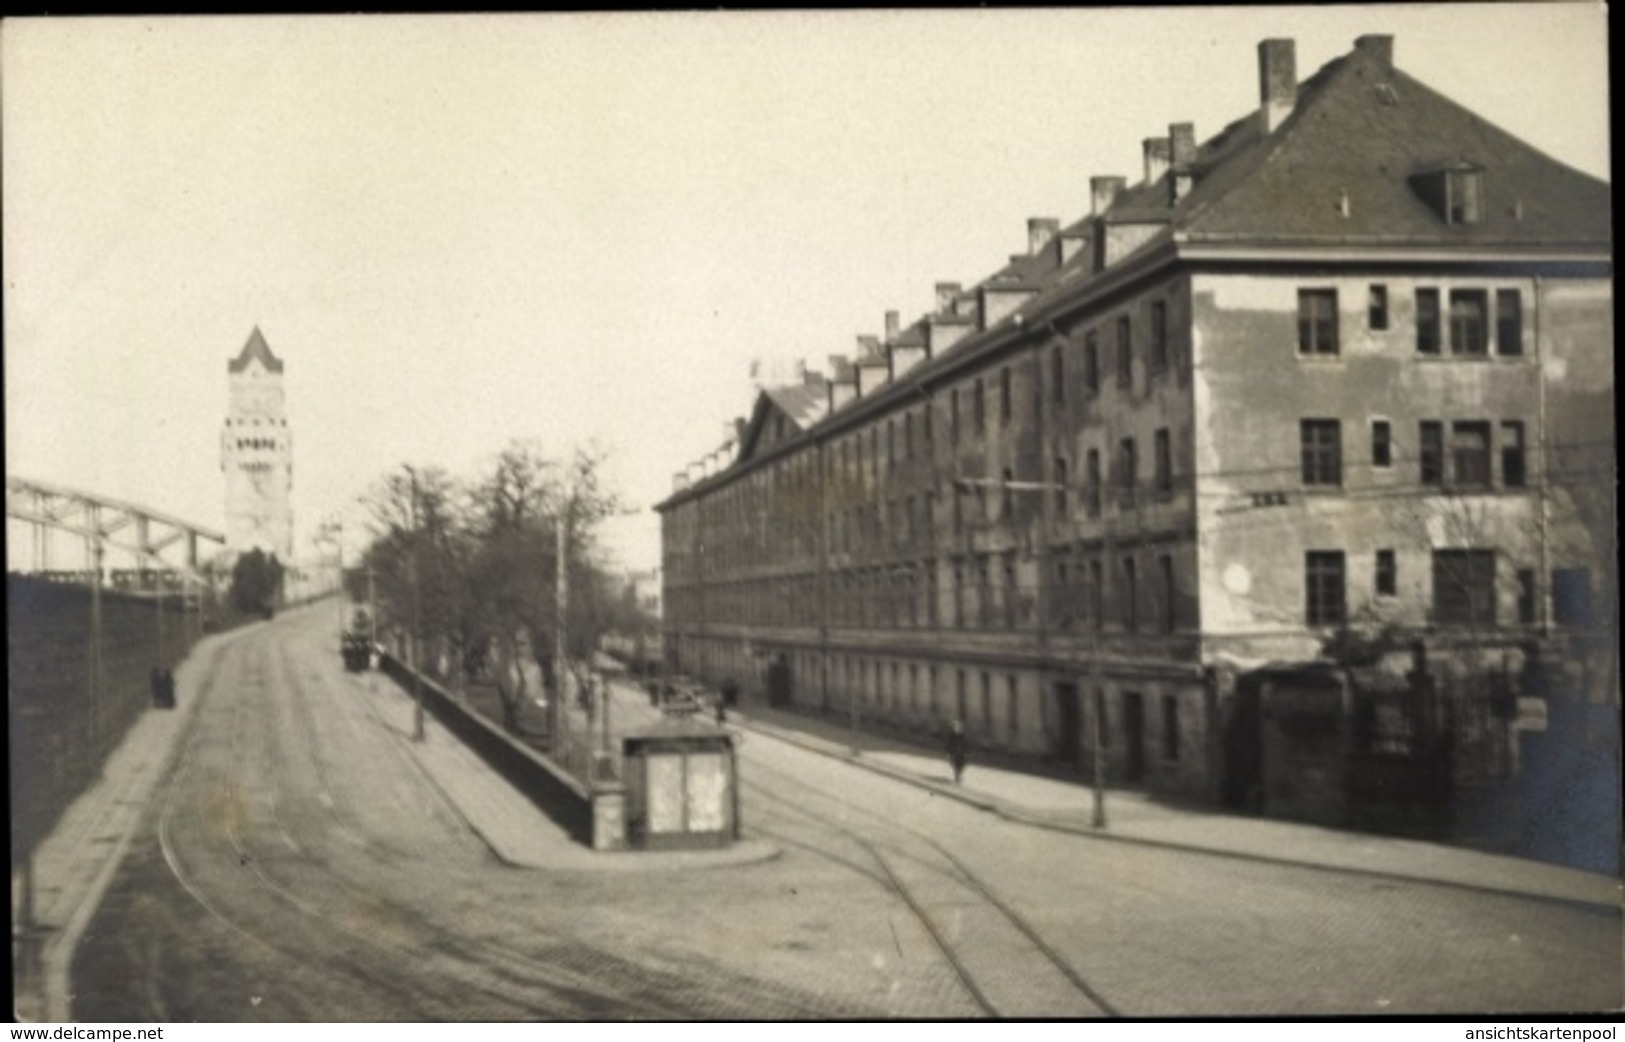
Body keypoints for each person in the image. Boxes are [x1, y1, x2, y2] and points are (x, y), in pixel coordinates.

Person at [946, 718, 967, 785]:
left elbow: (965, 744)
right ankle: (957, 776)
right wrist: (949, 753)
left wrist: (966, 752)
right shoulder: (951, 735)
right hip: (954, 752)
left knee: (961, 765)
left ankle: (958, 775)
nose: (956, 728)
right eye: (955, 727)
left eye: (957, 727)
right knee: (955, 765)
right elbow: (948, 744)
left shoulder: (962, 735)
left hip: (961, 753)